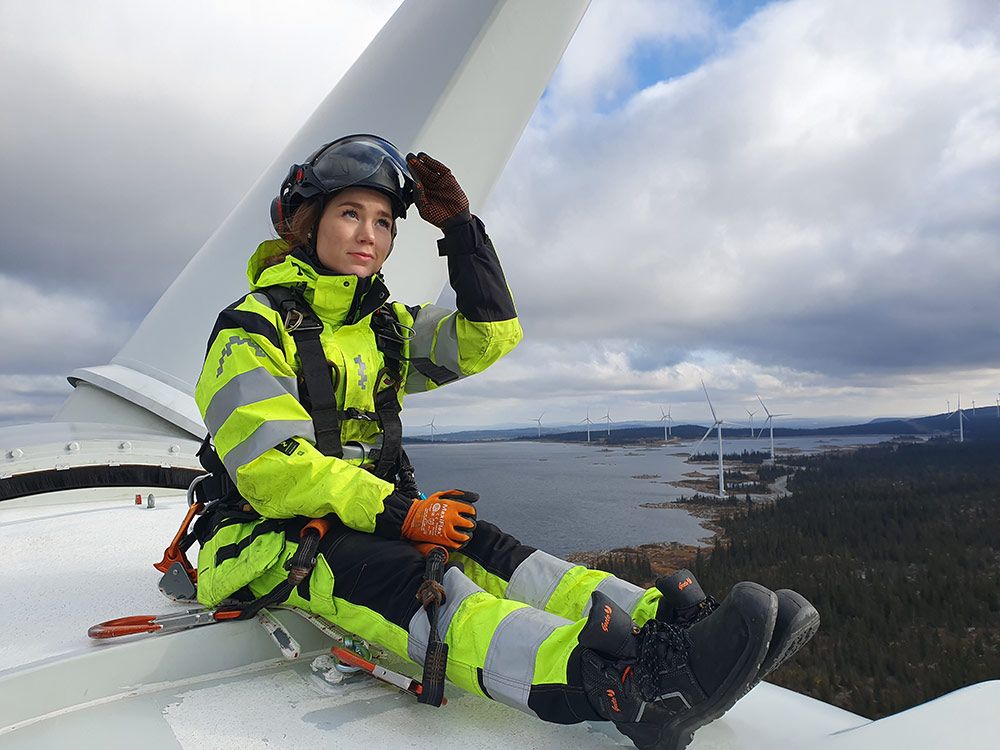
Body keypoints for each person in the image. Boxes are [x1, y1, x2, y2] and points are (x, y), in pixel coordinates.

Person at [192, 134, 816, 750]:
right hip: (266, 538)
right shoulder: (251, 328)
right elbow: (274, 469)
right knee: (427, 589)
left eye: (383, 222)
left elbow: (488, 335)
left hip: (373, 516)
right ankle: (621, 683)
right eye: (350, 213)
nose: (368, 235)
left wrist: (461, 230)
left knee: (500, 553)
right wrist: (403, 512)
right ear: (306, 222)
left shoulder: (383, 327)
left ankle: (671, 630)